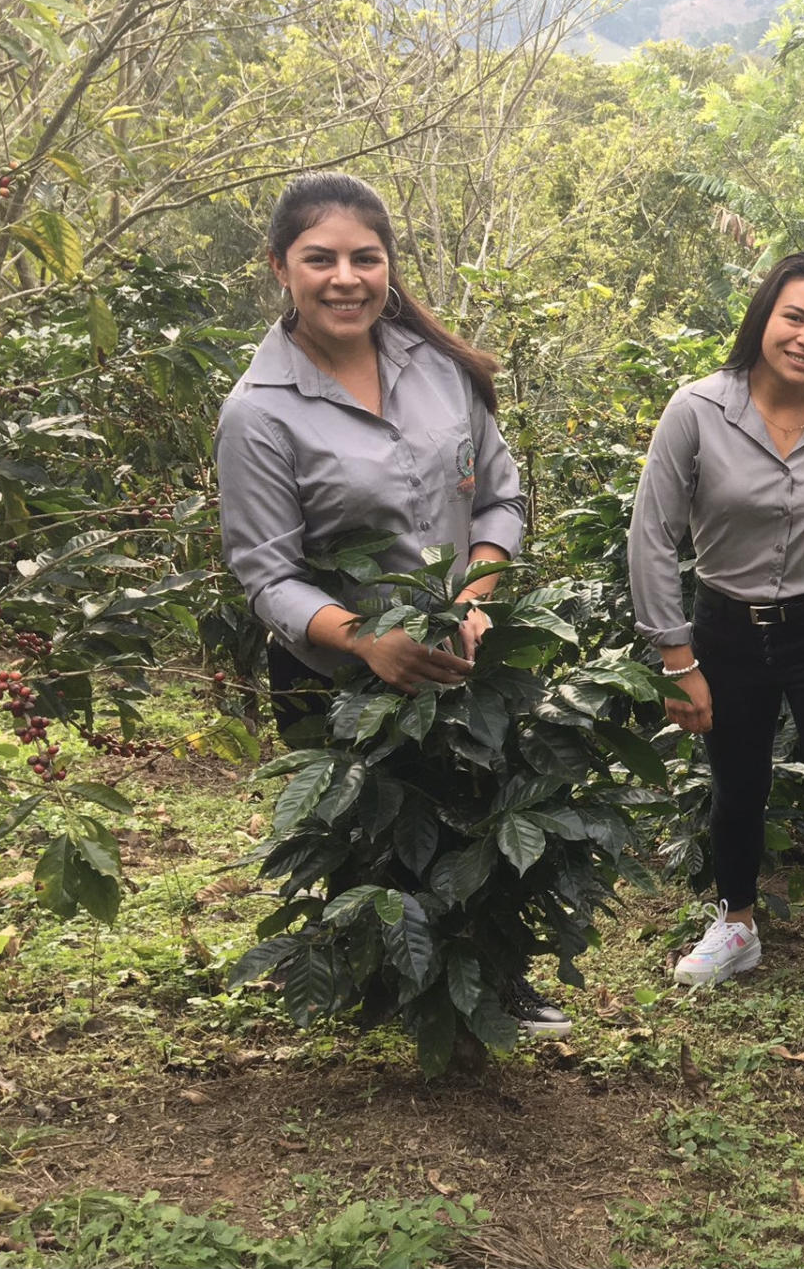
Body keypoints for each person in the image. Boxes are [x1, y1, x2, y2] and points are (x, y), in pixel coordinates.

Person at [215, 172, 570, 1037]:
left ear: (389, 266)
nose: (346, 277)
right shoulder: (258, 414)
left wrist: (473, 598)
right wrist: (370, 644)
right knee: (377, 840)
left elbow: (500, 501)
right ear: (279, 269)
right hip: (335, 671)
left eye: (364, 258)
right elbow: (268, 575)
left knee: (477, 821)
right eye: (320, 259)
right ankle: (389, 993)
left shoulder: (442, 373)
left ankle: (489, 983)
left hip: (462, 648)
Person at [628, 252, 804, 988]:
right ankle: (736, 924)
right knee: (737, 786)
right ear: (764, 317)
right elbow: (652, 536)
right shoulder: (696, 409)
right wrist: (676, 659)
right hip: (727, 628)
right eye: (796, 317)